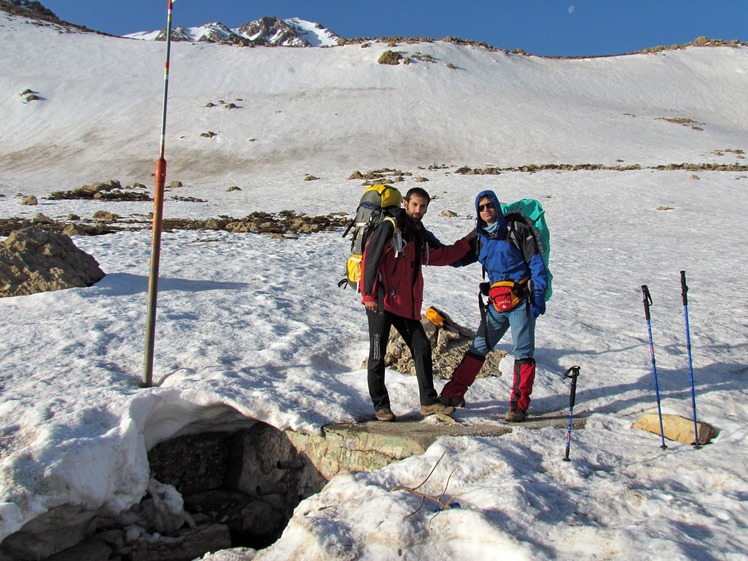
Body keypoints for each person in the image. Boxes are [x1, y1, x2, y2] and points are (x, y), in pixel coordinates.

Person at [361, 187, 476, 422]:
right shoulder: (390, 227)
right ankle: (381, 406)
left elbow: (441, 254)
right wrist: (368, 295)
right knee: (377, 354)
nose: (418, 210)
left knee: (421, 347)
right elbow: (370, 258)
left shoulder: (417, 233)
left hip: (403, 304)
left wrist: (469, 241)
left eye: (422, 206)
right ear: (405, 203)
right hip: (380, 302)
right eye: (414, 205)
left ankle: (428, 402)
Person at [439, 190, 548, 422]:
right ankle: (452, 395)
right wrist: (428, 253)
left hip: (522, 301)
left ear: (497, 206)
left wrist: (538, 294)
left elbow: (536, 263)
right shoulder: (480, 238)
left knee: (523, 353)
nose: (486, 210)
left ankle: (518, 407)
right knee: (478, 347)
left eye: (490, 205)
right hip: (497, 303)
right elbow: (457, 259)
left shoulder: (518, 229)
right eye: (481, 207)